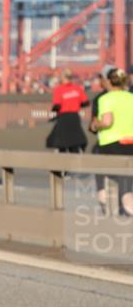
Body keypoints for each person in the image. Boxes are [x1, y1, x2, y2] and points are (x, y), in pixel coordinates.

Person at [91, 68, 133, 215]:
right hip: (131, 143)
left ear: (109, 81)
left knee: (101, 173)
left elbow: (107, 122)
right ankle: (127, 202)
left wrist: (96, 124)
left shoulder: (106, 99)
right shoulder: (131, 97)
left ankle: (104, 196)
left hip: (112, 144)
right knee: (127, 180)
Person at [46, 70, 88, 155]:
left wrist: (53, 114)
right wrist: (76, 105)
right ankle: (75, 162)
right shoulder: (77, 89)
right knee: (75, 141)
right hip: (75, 117)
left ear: (63, 78)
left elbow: (57, 105)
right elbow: (86, 102)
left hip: (63, 117)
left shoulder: (59, 89)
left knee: (62, 143)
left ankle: (63, 163)